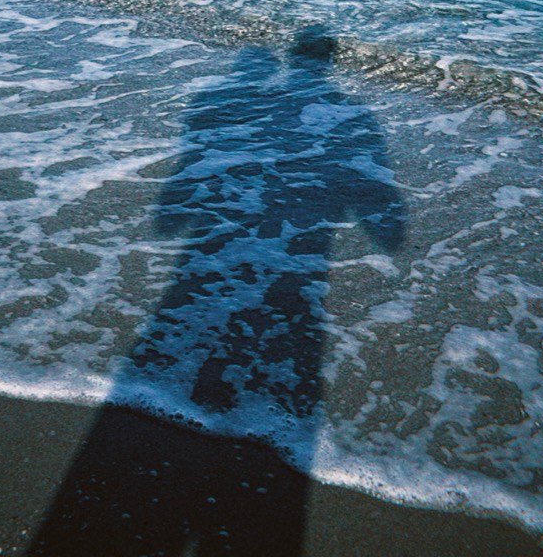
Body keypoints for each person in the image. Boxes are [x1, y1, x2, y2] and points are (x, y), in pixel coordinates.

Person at [28, 28, 405, 555]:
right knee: (283, 341)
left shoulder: (221, 99)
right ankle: (244, 424)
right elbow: (383, 213)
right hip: (297, 264)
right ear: (327, 62)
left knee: (197, 328)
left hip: (209, 255)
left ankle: (202, 412)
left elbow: (185, 182)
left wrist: (177, 206)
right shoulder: (351, 116)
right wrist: (387, 231)